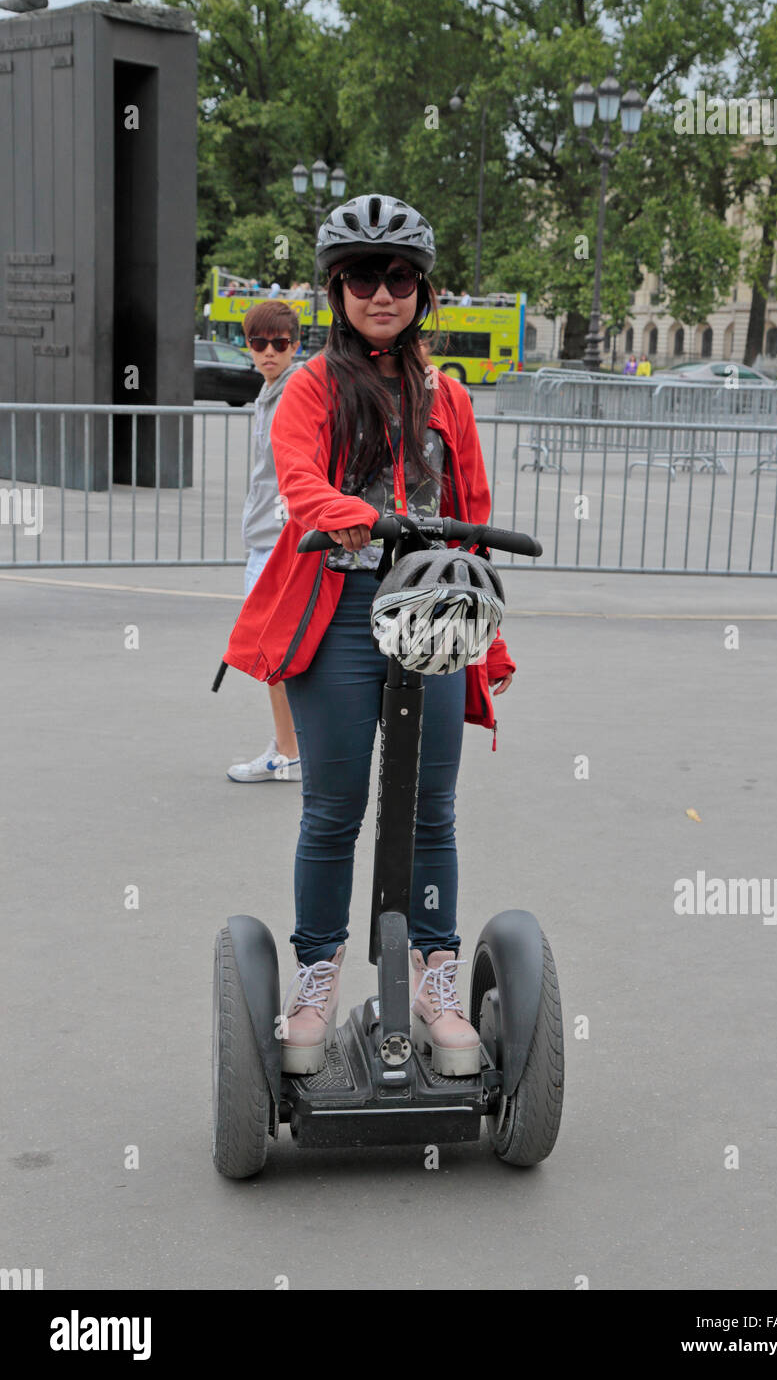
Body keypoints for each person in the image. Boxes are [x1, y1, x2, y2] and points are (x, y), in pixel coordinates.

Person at [218, 193, 516, 1077]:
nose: (379, 293)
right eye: (360, 278)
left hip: (429, 611)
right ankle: (317, 973)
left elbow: (471, 509)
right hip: (339, 613)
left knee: (433, 811)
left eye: (397, 277)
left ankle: (434, 974)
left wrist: (473, 586)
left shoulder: (447, 395)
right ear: (336, 289)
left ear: (421, 290)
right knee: (333, 810)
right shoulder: (310, 385)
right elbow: (300, 484)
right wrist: (357, 516)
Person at [226, 301, 303, 783]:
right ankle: (293, 749)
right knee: (278, 651)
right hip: (267, 536)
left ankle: (290, 752)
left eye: (279, 343)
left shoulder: (295, 387)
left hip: (281, 539)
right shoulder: (269, 390)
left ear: (294, 345)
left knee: (274, 651)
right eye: (258, 343)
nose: (269, 352)